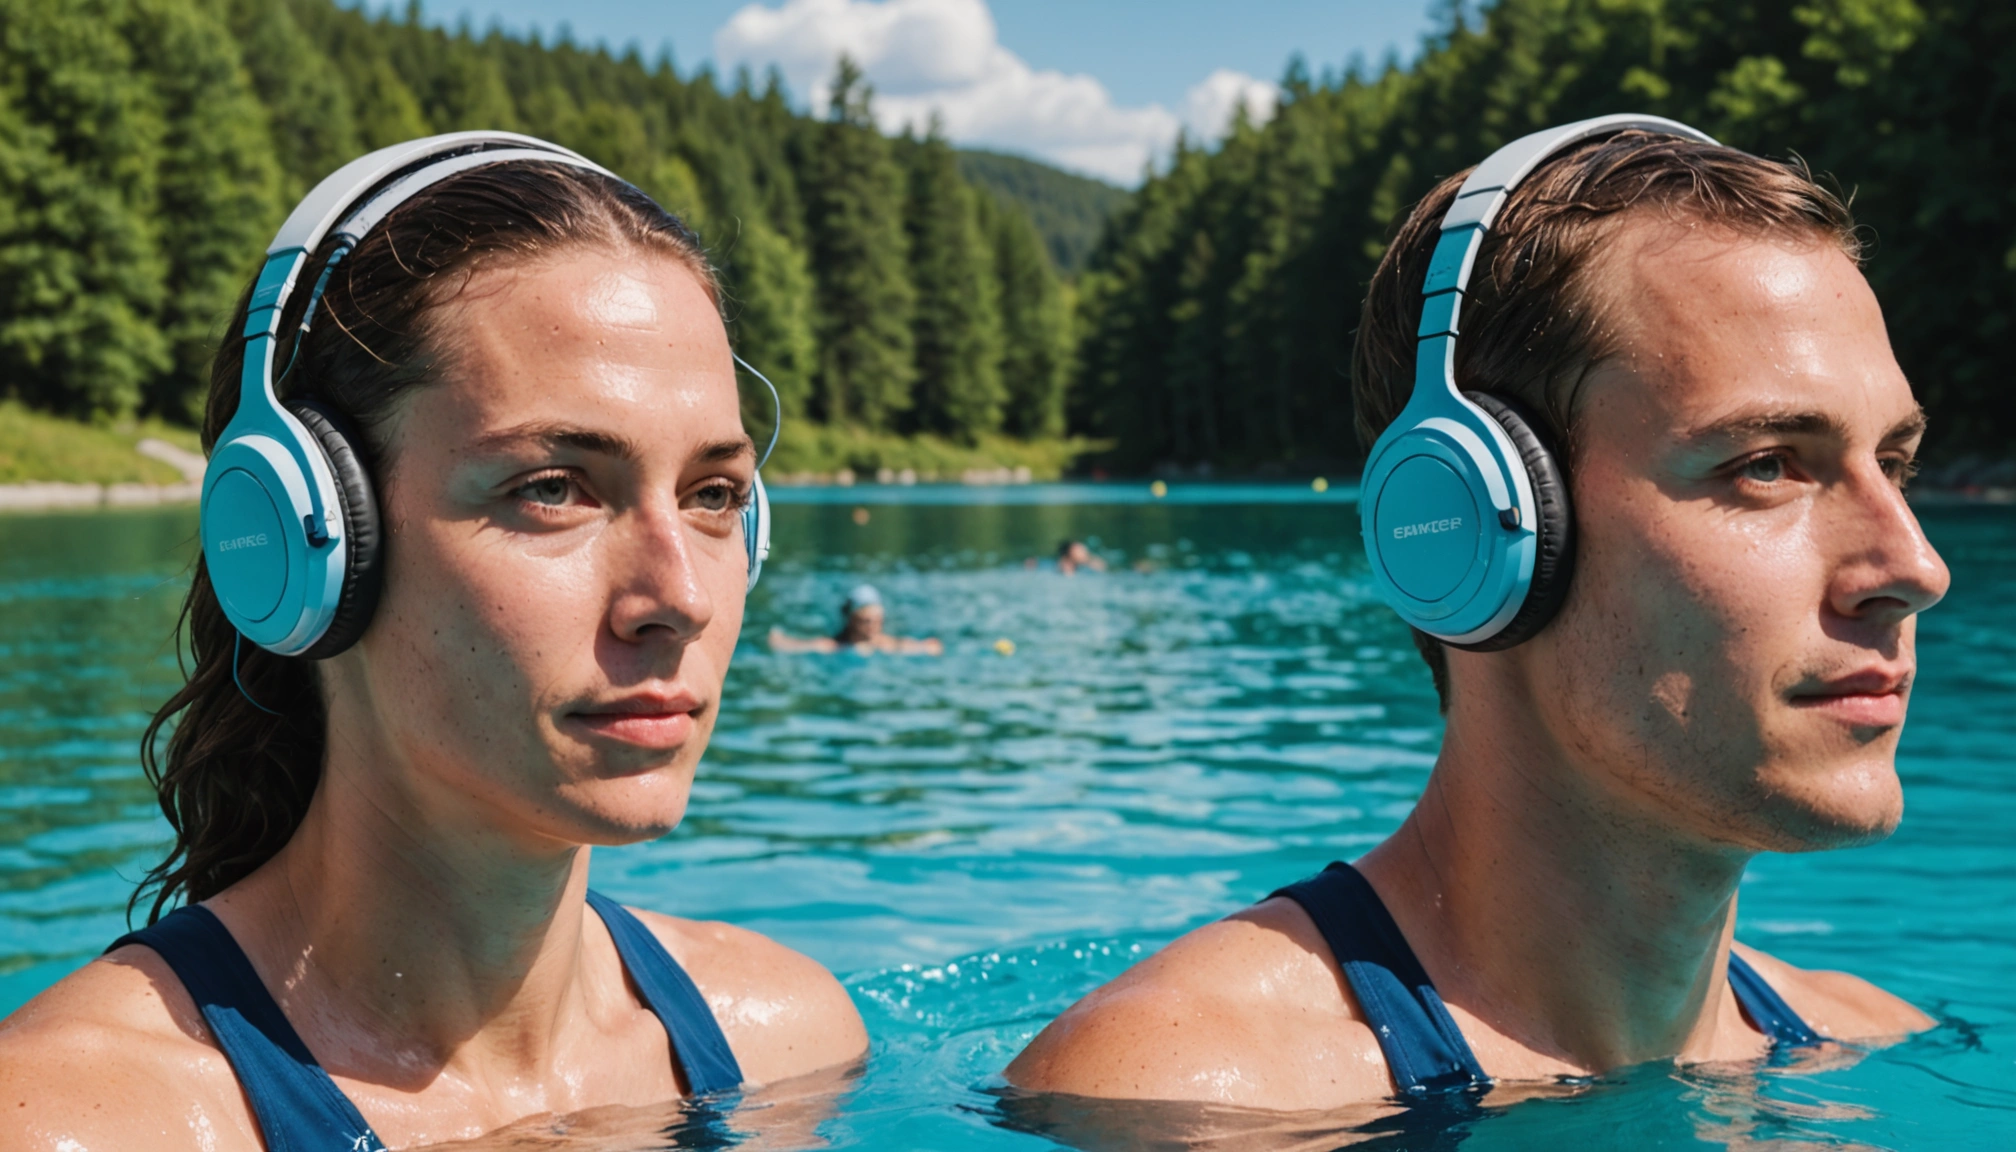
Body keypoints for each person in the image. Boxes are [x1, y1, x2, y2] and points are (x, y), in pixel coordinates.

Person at [1007, 119, 1949, 1111]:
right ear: (1466, 526)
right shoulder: (1198, 1100)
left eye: (1893, 464)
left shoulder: (1865, 1043)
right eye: (1765, 465)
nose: (1913, 567)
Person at [0, 136, 865, 1150]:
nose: (678, 596)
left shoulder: (788, 1048)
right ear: (304, 536)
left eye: (713, 494)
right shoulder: (87, 1124)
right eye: (553, 488)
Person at [768, 583, 943, 655]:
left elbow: (926, 646)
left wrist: (927, 647)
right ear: (852, 620)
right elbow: (795, 646)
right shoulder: (834, 646)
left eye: (878, 620)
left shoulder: (888, 644)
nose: (873, 627)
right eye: (866, 621)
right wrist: (777, 639)